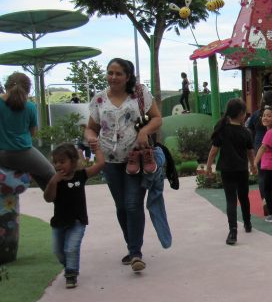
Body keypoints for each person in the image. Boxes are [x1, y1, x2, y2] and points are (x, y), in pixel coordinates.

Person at [85, 58, 162, 273]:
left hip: (136, 159)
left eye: (118, 73)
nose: (113, 77)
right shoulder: (99, 99)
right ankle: (132, 246)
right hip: (109, 162)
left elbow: (157, 118)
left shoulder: (140, 94)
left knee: (132, 204)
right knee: (121, 207)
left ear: (128, 76)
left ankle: (136, 253)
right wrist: (91, 138)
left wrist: (144, 131)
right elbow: (91, 128)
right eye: (110, 72)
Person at [43, 142, 105, 288]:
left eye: (62, 162)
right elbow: (48, 198)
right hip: (59, 222)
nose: (58, 165)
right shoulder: (55, 180)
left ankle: (71, 274)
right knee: (58, 251)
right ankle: (69, 265)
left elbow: (100, 164)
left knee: (71, 248)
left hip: (78, 221)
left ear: (73, 161)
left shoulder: (81, 175)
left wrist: (97, 148)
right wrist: (53, 183)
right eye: (55, 162)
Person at [206, 98, 257, 245]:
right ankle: (247, 223)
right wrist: (253, 166)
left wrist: (208, 166)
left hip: (227, 170)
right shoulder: (246, 132)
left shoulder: (222, 130)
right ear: (241, 114)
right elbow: (250, 152)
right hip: (242, 170)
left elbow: (213, 151)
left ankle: (233, 231)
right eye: (245, 113)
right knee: (244, 197)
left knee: (231, 200)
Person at [0, 72, 55, 189]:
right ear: (28, 90)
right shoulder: (30, 107)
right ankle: (55, 197)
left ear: (6, 86)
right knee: (50, 174)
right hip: (22, 151)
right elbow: (32, 133)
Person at [246, 90, 272, 215]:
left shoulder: (256, 114)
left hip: (259, 145)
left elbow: (249, 128)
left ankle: (264, 199)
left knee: (262, 175)